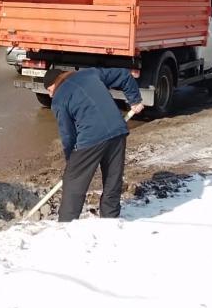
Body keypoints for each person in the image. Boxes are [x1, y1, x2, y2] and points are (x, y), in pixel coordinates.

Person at [43, 67, 145, 221]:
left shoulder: (59, 99)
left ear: (53, 84)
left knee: (73, 184)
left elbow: (68, 135)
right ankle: (110, 219)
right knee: (112, 180)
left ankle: (66, 225)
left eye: (49, 91)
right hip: (117, 131)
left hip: (90, 140)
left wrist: (72, 160)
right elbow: (124, 75)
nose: (51, 95)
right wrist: (135, 100)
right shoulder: (90, 73)